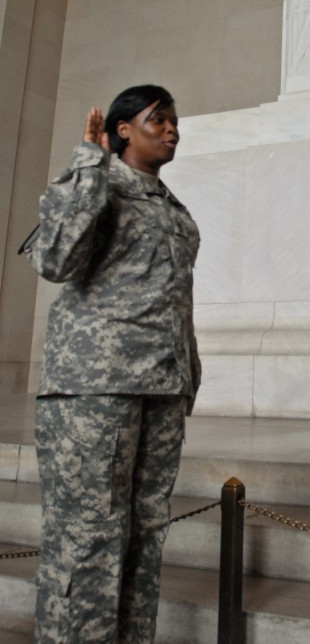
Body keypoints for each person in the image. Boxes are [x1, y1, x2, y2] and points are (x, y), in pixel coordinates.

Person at [22, 85, 201, 644]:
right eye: (158, 119)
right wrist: (87, 165)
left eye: (175, 121)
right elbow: (54, 259)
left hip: (159, 386)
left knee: (143, 535)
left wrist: (186, 372)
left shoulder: (171, 205)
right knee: (88, 537)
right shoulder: (93, 184)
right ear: (122, 129)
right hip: (93, 391)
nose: (172, 129)